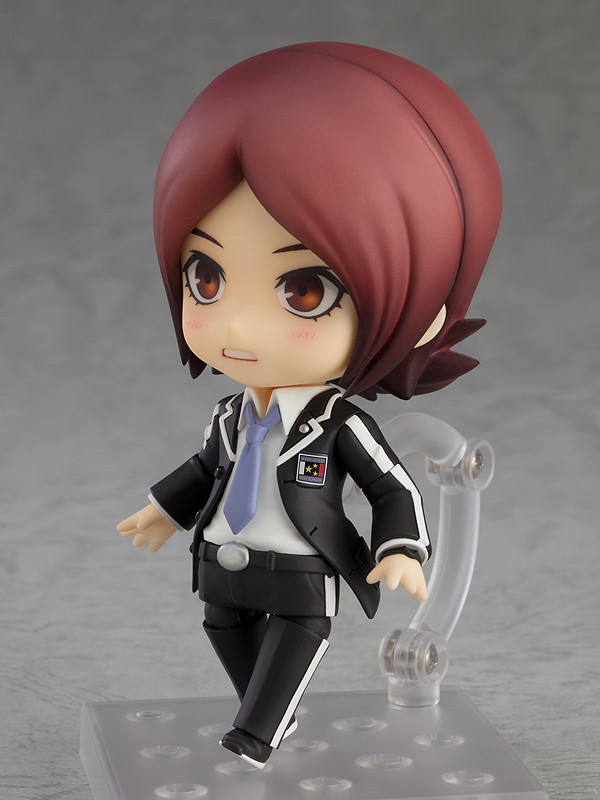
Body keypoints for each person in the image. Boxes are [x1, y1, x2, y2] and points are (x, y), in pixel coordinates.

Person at [117, 42, 502, 767]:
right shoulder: (230, 416)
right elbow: (205, 468)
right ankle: (270, 716)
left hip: (302, 569)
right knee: (225, 630)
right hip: (223, 565)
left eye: (302, 291)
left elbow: (392, 486)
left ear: (419, 316)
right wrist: (163, 509)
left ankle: (257, 734)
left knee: (291, 649)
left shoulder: (340, 423)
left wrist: (399, 549)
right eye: (206, 278)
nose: (238, 326)